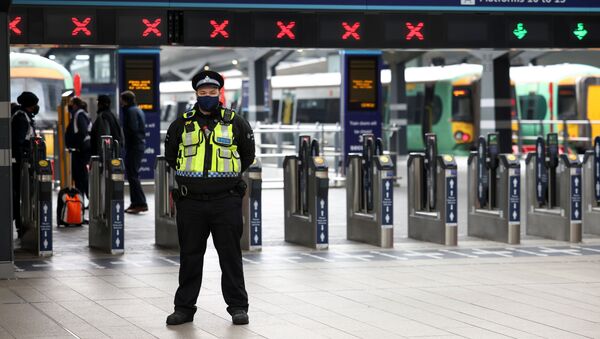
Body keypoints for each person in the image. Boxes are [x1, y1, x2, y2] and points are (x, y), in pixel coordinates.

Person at [164, 70, 255, 326]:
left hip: (225, 200)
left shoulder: (236, 122)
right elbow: (171, 156)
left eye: (212, 93)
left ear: (219, 94)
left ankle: (238, 307)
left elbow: (247, 155)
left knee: (230, 256)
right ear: (196, 94)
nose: (207, 97)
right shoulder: (181, 123)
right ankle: (183, 308)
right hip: (190, 201)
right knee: (190, 256)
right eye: (202, 93)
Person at [11, 92, 39, 239]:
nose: (36, 107)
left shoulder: (24, 117)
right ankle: (19, 225)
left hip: (24, 162)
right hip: (20, 164)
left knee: (21, 193)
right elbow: (18, 142)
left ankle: (22, 224)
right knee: (19, 193)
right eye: (34, 105)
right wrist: (24, 160)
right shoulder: (21, 118)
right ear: (30, 105)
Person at [120, 91, 148, 214]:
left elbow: (132, 129)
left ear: (125, 100)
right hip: (138, 145)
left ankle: (140, 203)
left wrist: (128, 144)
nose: (120, 102)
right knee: (133, 175)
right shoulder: (137, 110)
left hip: (134, 146)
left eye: (121, 100)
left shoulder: (130, 111)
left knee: (132, 175)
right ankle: (136, 202)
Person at [65, 96, 92, 200]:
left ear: (75, 105)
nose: (70, 106)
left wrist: (76, 145)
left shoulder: (79, 114)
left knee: (81, 177)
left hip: (81, 151)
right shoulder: (80, 114)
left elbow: (82, 132)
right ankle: (82, 199)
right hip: (80, 150)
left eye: (71, 104)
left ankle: (81, 200)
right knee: (80, 177)